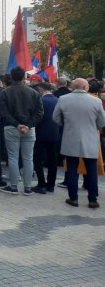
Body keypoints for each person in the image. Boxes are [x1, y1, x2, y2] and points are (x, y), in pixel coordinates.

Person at [53, 78, 105, 208]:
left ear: (73, 86)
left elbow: (56, 118)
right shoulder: (96, 101)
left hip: (71, 138)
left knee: (71, 169)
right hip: (90, 139)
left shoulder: (64, 99)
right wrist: (94, 128)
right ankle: (92, 199)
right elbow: (102, 122)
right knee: (91, 170)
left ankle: (73, 198)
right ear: (85, 87)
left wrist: (66, 126)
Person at [0, 66, 44, 195]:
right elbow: (40, 112)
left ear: (12, 77)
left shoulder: (5, 92)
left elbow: (4, 112)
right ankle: (28, 187)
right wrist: (28, 125)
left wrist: (17, 124)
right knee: (28, 158)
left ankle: (13, 186)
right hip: (29, 129)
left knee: (13, 157)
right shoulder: (34, 93)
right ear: (24, 77)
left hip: (11, 128)